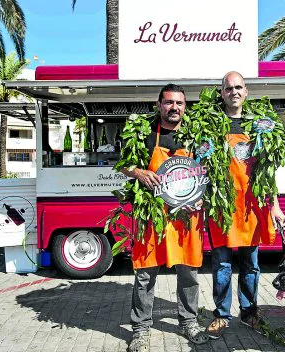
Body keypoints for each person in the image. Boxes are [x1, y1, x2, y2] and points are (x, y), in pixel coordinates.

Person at [120, 84, 208, 352]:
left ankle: (189, 322)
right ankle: (141, 329)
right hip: (152, 217)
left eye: (179, 103)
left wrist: (202, 193)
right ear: (159, 105)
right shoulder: (144, 133)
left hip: (186, 216)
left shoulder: (196, 135)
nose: (174, 108)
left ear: (185, 106)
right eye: (169, 103)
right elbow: (122, 163)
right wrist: (138, 172)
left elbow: (209, 169)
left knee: (189, 272)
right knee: (145, 274)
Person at [206, 71, 285, 339]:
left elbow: (268, 171)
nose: (234, 92)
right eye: (228, 88)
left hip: (253, 206)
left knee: (251, 264)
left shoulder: (260, 124)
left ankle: (249, 312)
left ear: (246, 91)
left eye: (238, 87)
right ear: (222, 93)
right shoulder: (211, 125)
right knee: (221, 265)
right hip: (223, 206)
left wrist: (274, 205)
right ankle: (221, 315)